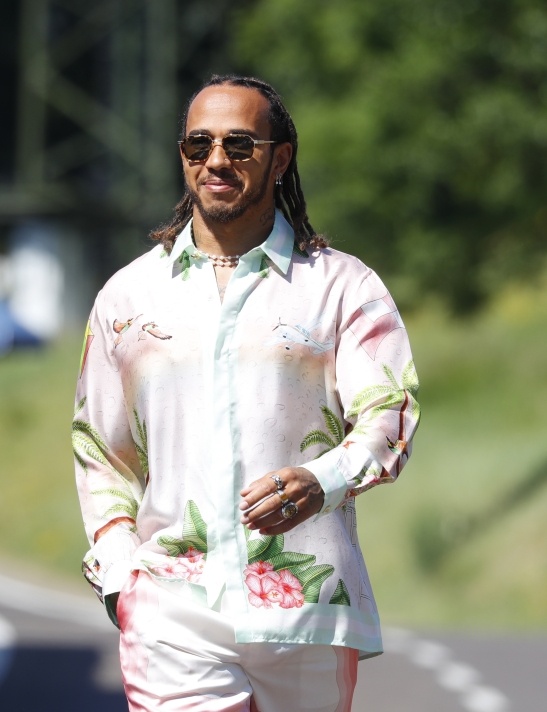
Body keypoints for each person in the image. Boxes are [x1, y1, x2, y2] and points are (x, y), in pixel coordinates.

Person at [73, 74, 421, 711]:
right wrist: (121, 576)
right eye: (197, 145)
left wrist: (324, 479)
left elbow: (387, 418)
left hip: (307, 613)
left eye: (239, 145)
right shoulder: (127, 298)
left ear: (280, 158)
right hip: (171, 611)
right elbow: (102, 452)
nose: (216, 160)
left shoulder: (343, 286)